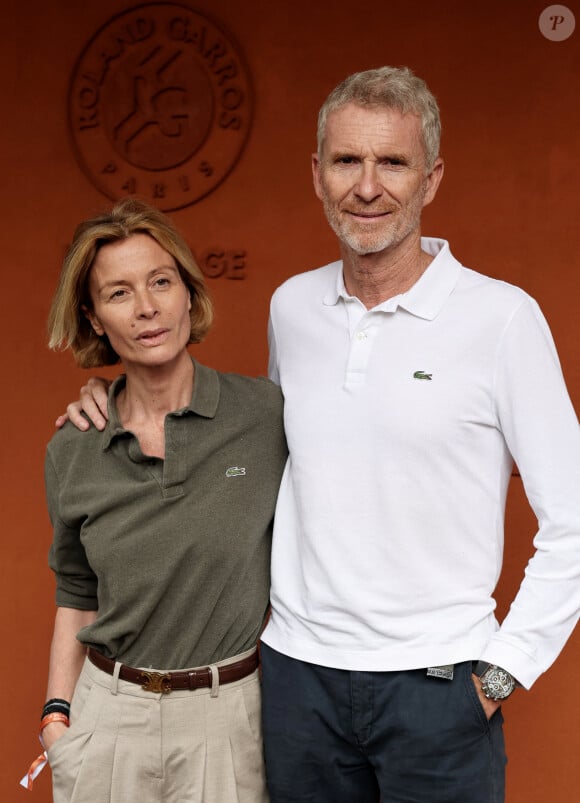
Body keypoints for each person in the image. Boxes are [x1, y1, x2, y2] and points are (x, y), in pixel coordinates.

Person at [60, 67, 580, 803]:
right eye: (347, 161)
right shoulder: (293, 307)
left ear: (431, 179)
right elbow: (260, 448)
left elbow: (575, 520)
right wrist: (110, 396)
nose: (367, 187)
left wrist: (501, 673)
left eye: (392, 162)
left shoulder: (503, 320)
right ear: (317, 174)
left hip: (437, 686)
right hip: (297, 682)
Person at [30, 199, 287, 803]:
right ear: (94, 319)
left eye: (161, 282)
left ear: (189, 296)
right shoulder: (73, 448)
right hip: (107, 721)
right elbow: (76, 591)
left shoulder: (266, 416)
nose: (146, 307)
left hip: (229, 722)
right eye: (118, 293)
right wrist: (56, 718)